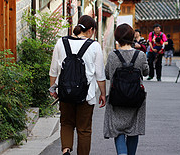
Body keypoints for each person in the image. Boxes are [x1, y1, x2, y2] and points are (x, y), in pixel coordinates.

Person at [49, 15, 107, 155]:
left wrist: (52, 89)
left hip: (65, 93)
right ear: (91, 30)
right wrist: (103, 94)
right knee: (84, 129)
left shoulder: (61, 42)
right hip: (86, 95)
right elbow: (100, 75)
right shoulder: (94, 46)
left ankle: (66, 149)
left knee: (67, 123)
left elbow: (53, 70)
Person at [104, 24, 149, 155]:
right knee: (133, 129)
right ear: (132, 36)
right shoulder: (140, 55)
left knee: (118, 129)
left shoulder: (113, 55)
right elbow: (146, 72)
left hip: (117, 98)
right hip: (136, 98)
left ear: (117, 38)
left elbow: (107, 74)